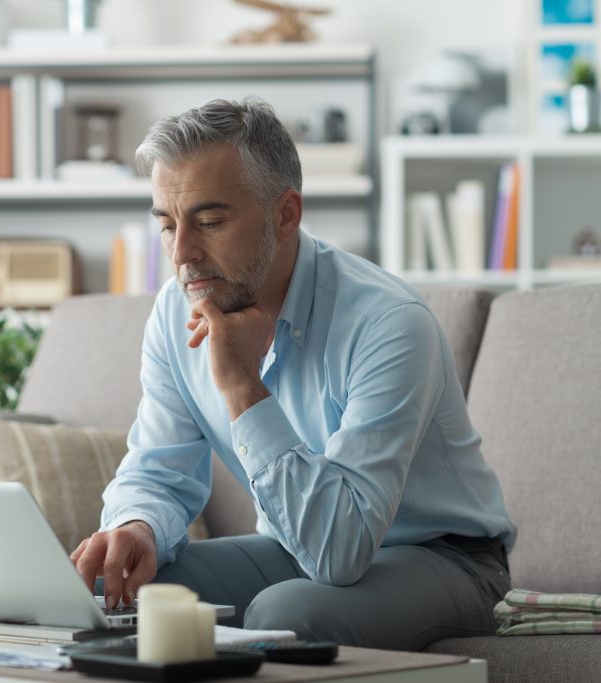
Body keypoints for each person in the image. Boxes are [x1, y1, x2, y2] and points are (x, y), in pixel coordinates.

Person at [69, 98, 515, 650]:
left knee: (290, 614)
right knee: (113, 593)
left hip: (446, 561)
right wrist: (136, 528)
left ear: (286, 214)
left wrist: (242, 387)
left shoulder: (388, 324)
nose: (182, 252)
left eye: (209, 221)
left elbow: (340, 552)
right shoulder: (172, 312)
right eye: (166, 224)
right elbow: (158, 471)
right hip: (292, 548)